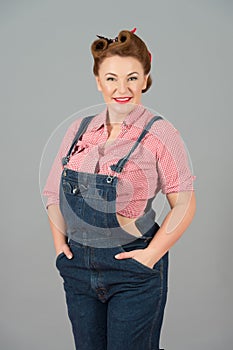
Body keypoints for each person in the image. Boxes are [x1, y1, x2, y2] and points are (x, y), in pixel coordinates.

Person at [42, 28, 196, 350]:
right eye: (111, 78)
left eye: (132, 78)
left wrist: (150, 257)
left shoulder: (160, 134)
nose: (121, 89)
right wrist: (61, 250)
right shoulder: (79, 130)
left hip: (132, 270)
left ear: (145, 79)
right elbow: (52, 194)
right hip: (79, 272)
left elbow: (184, 204)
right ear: (98, 80)